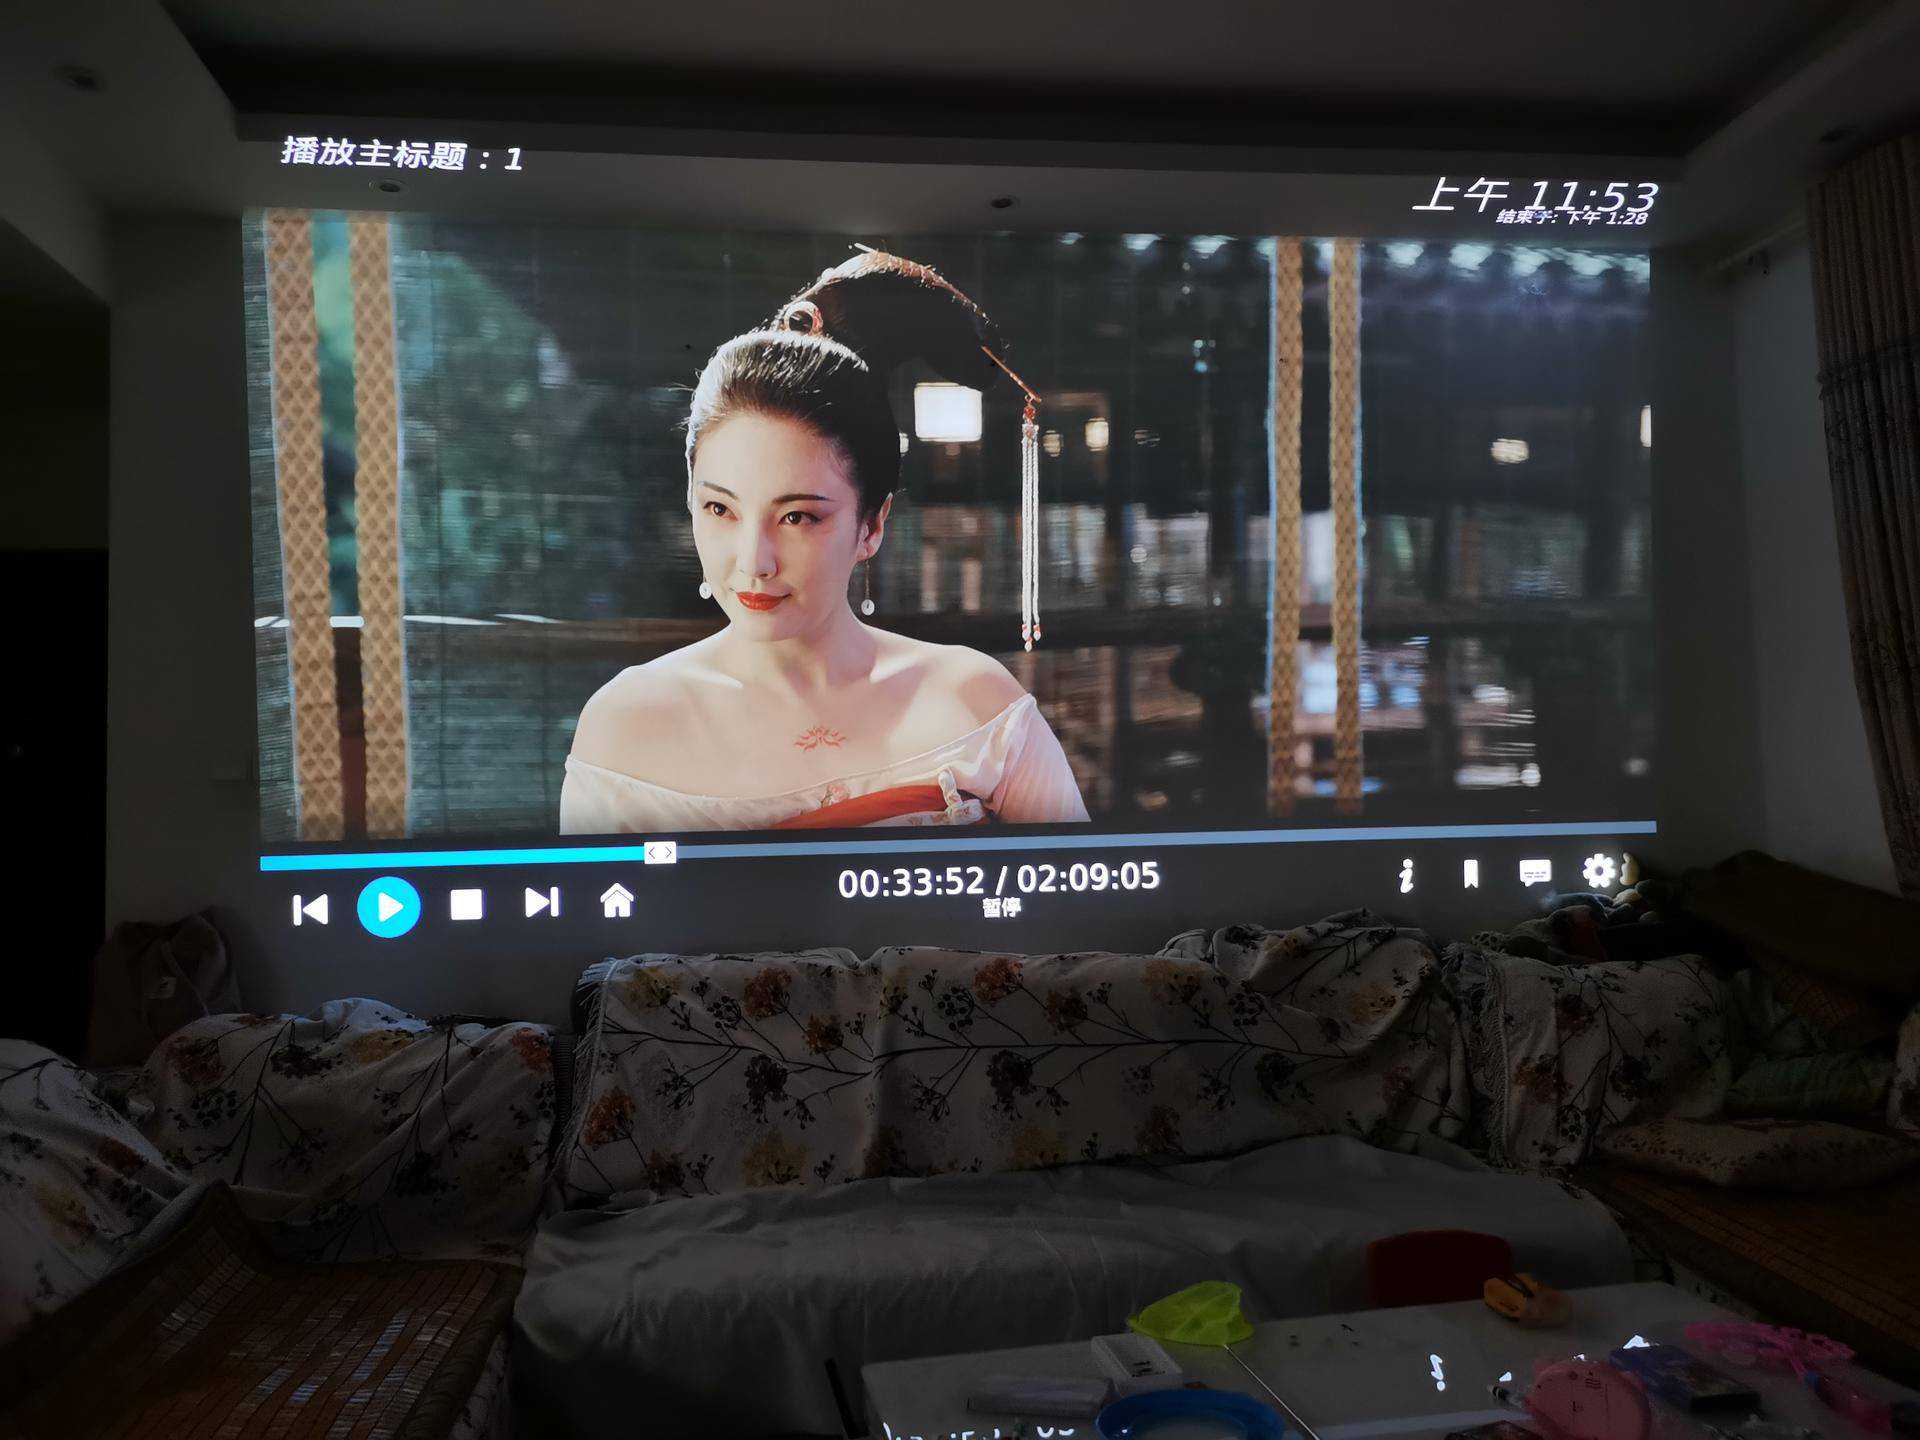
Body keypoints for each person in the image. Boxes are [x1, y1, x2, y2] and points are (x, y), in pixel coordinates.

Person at [560, 251, 1089, 833]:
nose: (754, 562)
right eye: (720, 509)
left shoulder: (976, 701)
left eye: (798, 518)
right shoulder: (625, 725)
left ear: (873, 524)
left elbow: (1084, 887)